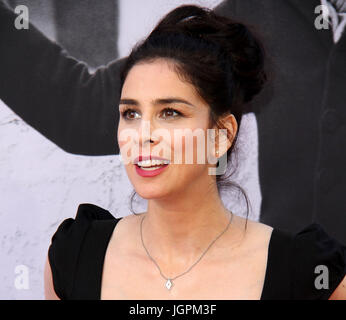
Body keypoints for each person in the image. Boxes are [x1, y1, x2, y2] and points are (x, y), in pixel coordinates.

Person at [43, 5, 346, 300]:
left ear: (221, 135)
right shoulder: (76, 257)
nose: (143, 136)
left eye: (170, 113)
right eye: (131, 114)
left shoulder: (302, 273)